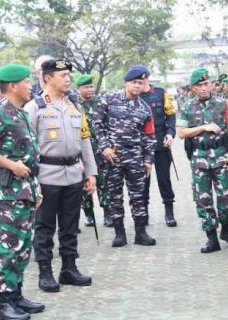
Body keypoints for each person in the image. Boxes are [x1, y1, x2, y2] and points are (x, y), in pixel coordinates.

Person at [0, 64, 44, 320]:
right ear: (13, 86)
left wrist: (35, 189)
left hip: (23, 192)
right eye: (27, 82)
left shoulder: (20, 113)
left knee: (22, 247)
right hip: (6, 194)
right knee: (6, 249)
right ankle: (3, 305)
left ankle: (16, 295)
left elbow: (29, 157)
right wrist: (11, 165)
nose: (30, 86)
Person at [24, 59, 97, 293]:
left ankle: (69, 268)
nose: (67, 79)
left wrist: (91, 172)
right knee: (44, 227)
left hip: (74, 174)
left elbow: (85, 140)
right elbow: (26, 146)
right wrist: (31, 180)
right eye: (62, 75)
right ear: (47, 78)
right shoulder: (34, 107)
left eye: (68, 75)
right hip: (46, 175)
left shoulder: (74, 104)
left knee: (70, 225)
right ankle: (45, 272)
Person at [177, 68, 228, 253]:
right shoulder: (188, 107)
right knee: (203, 199)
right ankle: (211, 237)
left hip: (221, 155)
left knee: (227, 197)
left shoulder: (223, 103)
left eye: (207, 84)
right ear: (193, 88)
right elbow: (181, 133)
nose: (204, 88)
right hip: (199, 158)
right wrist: (203, 127)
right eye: (200, 85)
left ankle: (226, 231)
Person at [93, 65, 156, 247]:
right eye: (135, 82)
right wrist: (104, 147)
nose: (137, 86)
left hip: (135, 156)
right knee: (115, 195)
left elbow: (149, 136)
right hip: (112, 156)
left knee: (138, 196)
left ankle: (141, 233)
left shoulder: (144, 108)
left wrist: (148, 159)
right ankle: (119, 233)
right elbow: (97, 124)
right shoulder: (109, 100)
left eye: (141, 83)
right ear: (126, 83)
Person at [139, 69, 178, 227]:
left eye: (141, 80)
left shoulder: (161, 94)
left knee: (164, 179)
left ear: (147, 79)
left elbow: (171, 115)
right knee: (142, 182)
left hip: (161, 143)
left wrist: (170, 134)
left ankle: (169, 212)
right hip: (141, 146)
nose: (138, 84)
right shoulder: (132, 97)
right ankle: (143, 214)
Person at [76, 74, 111, 227]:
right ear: (79, 89)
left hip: (101, 151)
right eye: (86, 87)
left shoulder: (101, 103)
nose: (90, 89)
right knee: (85, 184)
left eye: (91, 86)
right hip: (83, 152)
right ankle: (89, 215)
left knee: (105, 183)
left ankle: (107, 214)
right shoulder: (74, 105)